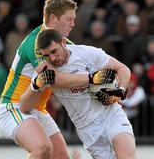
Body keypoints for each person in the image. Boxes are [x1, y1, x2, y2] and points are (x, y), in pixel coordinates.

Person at [20, 29, 136, 159]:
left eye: (54, 51)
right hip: (88, 129)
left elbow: (122, 68)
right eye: (47, 55)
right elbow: (24, 106)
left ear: (63, 42)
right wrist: (35, 86)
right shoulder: (46, 71)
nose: (52, 58)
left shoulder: (87, 53)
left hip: (111, 115)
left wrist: (120, 91)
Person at [0, 0, 78, 159]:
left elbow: (86, 67)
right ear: (53, 18)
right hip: (13, 106)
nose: (73, 24)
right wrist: (93, 79)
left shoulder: (65, 44)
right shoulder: (36, 42)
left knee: (61, 156)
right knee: (42, 148)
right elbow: (54, 78)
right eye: (69, 19)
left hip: (37, 110)